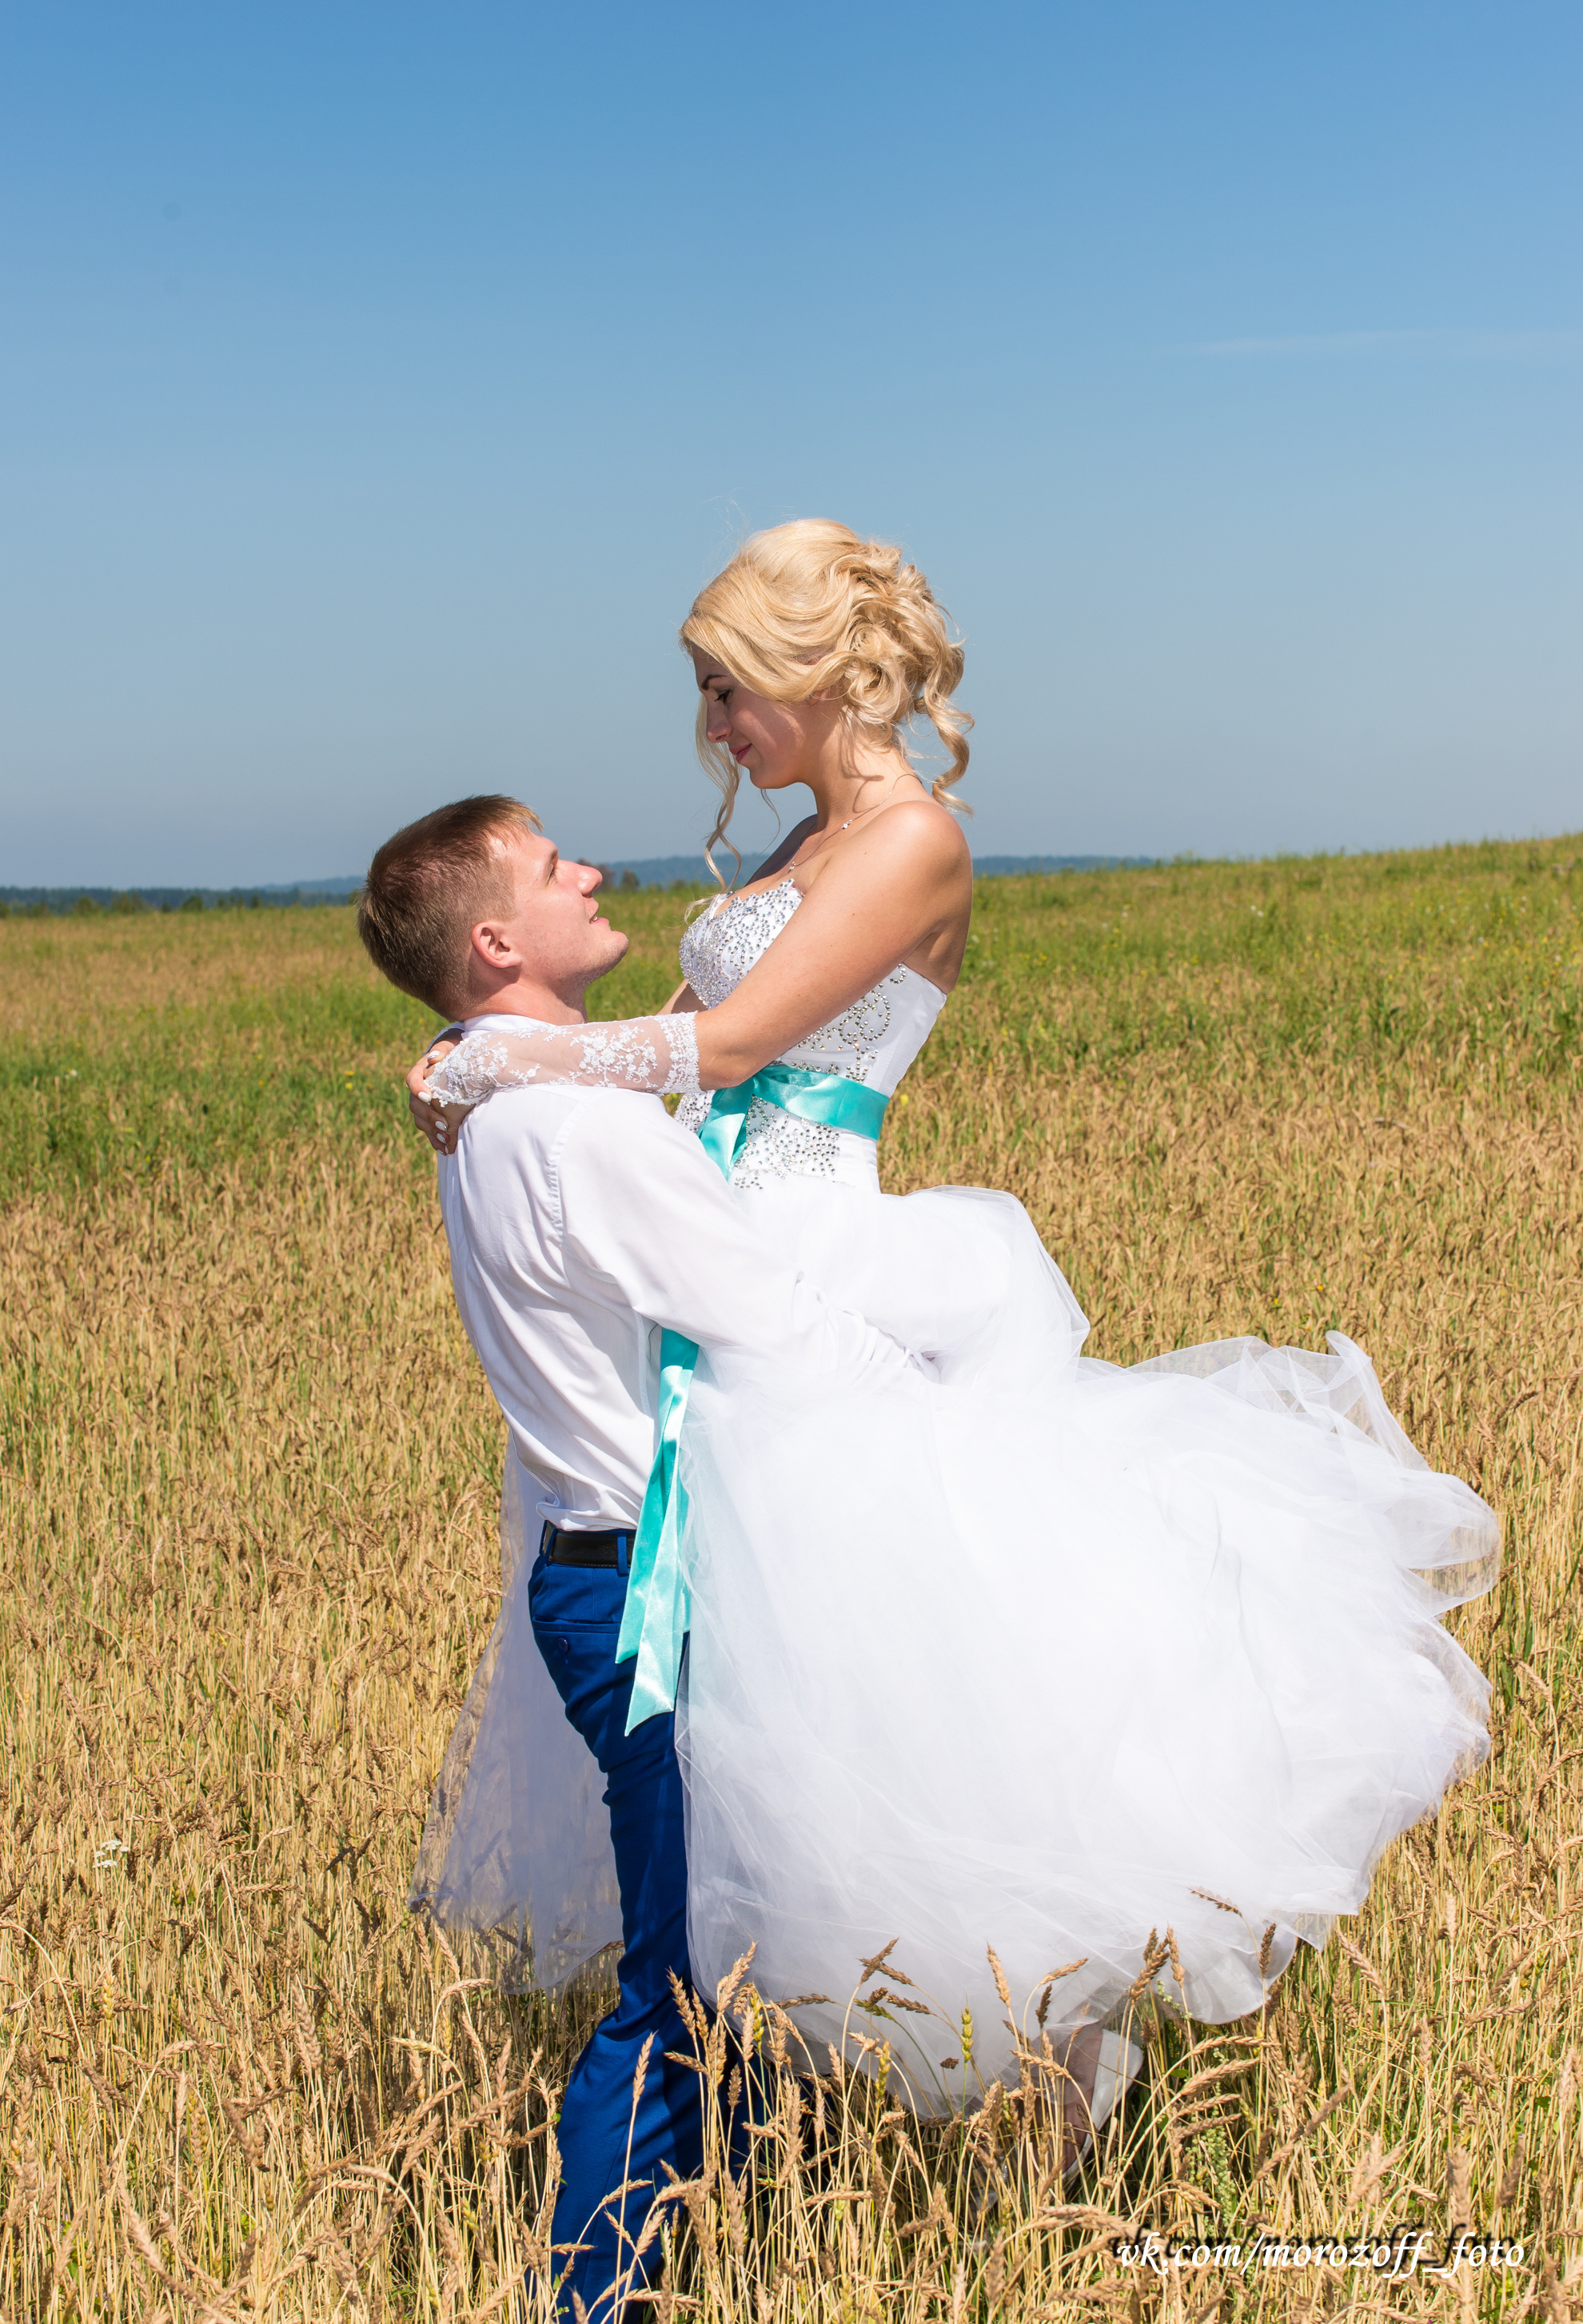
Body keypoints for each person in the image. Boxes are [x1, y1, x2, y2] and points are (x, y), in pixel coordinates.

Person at [405, 520, 1501, 2102]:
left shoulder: (913, 842)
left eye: (727, 693)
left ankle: (1031, 2110)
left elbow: (722, 1053)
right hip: (710, 1268)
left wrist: (500, 1052)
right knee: (749, 1740)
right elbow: (678, 1044)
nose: (713, 733)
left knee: (918, 1715)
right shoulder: (792, 852)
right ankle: (762, 2089)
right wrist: (515, 1073)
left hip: (815, 1269)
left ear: (810, 677)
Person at [357, 794, 918, 2324]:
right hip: (643, 1592)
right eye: (555, 870)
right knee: (674, 1978)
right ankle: (590, 2295)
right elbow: (768, 1319)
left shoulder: (500, 1115)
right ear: (493, 940)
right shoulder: (580, 1128)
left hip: (589, 1573)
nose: (594, 873)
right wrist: (954, 1428)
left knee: (722, 1940)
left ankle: (733, 2233)